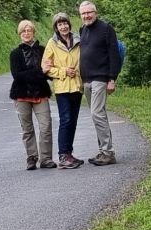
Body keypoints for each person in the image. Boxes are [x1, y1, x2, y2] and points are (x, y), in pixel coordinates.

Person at [77, 1, 122, 166]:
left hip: (101, 78)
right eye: (83, 13)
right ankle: (103, 151)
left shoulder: (106, 29)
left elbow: (114, 54)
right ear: (80, 15)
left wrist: (112, 79)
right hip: (87, 80)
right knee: (98, 115)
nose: (87, 16)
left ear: (95, 13)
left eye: (89, 12)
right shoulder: (83, 29)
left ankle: (108, 153)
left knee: (97, 113)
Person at [8, 20, 56, 170]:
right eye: (23, 31)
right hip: (22, 95)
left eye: (29, 30)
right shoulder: (15, 54)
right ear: (20, 34)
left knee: (46, 126)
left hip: (40, 93)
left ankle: (46, 158)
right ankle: (31, 157)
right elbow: (18, 76)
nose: (26, 33)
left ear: (33, 32)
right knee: (27, 129)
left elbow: (48, 72)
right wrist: (40, 72)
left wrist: (52, 73)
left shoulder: (43, 50)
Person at [41, 13, 84, 169]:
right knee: (65, 120)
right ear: (56, 27)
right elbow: (45, 68)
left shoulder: (79, 41)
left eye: (65, 23)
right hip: (62, 89)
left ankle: (69, 154)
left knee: (72, 121)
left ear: (69, 24)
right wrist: (64, 72)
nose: (63, 26)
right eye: (60, 24)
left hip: (77, 87)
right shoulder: (52, 43)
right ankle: (62, 155)